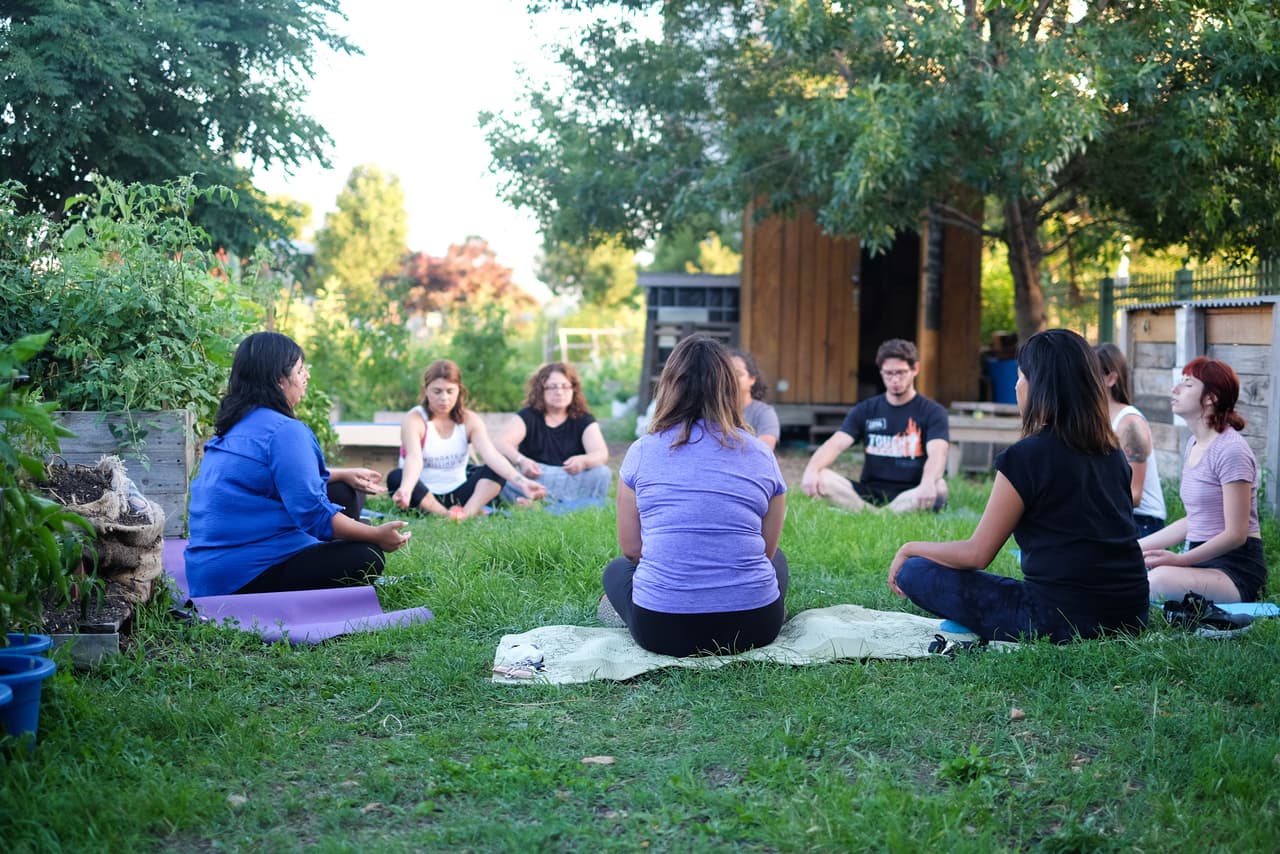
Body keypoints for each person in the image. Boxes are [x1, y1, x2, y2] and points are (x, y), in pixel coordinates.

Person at [888, 329, 1148, 643]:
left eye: (1021, 375)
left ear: (1040, 386)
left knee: (916, 571)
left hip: (1059, 619)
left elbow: (976, 554)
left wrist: (909, 548)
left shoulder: (1024, 457)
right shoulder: (1113, 454)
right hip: (1131, 614)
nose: (1016, 385)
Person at [601, 334, 789, 657]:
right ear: (731, 389)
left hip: (663, 629)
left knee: (616, 570)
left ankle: (623, 609)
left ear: (669, 386)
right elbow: (768, 550)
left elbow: (632, 550)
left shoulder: (642, 451)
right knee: (780, 560)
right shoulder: (761, 454)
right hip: (755, 627)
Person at [185, 332, 411, 597]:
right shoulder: (284, 431)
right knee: (367, 555)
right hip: (241, 579)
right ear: (279, 380)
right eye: (301, 370)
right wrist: (374, 535)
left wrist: (340, 474)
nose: (307, 376)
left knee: (341, 491)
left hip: (207, 575)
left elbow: (273, 478)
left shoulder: (238, 424)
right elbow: (313, 514)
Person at [1140, 357, 1266, 603]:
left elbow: (1236, 534)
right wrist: (1133, 547)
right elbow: (1194, 520)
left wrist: (1181, 560)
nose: (1175, 390)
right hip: (1199, 560)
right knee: (1129, 568)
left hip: (1234, 570)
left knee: (1155, 581)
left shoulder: (1231, 451)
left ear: (1211, 398)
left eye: (1187, 384)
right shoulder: (1194, 444)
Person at [802, 338, 949, 513]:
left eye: (901, 373)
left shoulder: (933, 411)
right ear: (881, 372)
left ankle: (868, 516)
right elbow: (836, 444)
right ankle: (878, 515)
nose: (895, 379)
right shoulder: (866, 409)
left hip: (911, 492)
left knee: (939, 486)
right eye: (889, 373)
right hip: (869, 493)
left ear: (915, 369)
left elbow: (938, 453)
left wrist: (927, 482)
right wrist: (811, 470)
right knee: (821, 476)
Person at [388, 360, 546, 520]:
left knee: (495, 468)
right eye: (437, 391)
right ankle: (444, 515)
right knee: (396, 477)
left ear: (459, 391)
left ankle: (466, 514)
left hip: (459, 493)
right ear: (426, 391)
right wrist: (406, 490)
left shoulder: (469, 420)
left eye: (450, 391)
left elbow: (490, 454)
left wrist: (523, 482)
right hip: (424, 496)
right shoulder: (414, 419)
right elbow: (414, 458)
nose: (444, 398)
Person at [492, 362, 611, 506]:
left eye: (565, 386)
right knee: (500, 474)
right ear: (541, 391)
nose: (559, 392)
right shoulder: (528, 415)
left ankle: (539, 504)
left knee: (602, 473)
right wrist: (521, 461)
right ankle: (568, 504)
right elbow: (500, 442)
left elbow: (601, 454)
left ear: (573, 389)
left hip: (572, 479)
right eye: (553, 387)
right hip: (537, 479)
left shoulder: (583, 419)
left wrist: (584, 460)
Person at [1094, 343, 1166, 538]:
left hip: (1143, 523)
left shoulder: (1130, 423)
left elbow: (1135, 495)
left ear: (1111, 378)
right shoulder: (1094, 421)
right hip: (1113, 515)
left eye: (1090, 374)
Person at [730, 349, 780, 450]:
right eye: (727, 373)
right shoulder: (713, 412)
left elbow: (764, 451)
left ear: (752, 379)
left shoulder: (764, 413)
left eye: (738, 374)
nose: (732, 378)